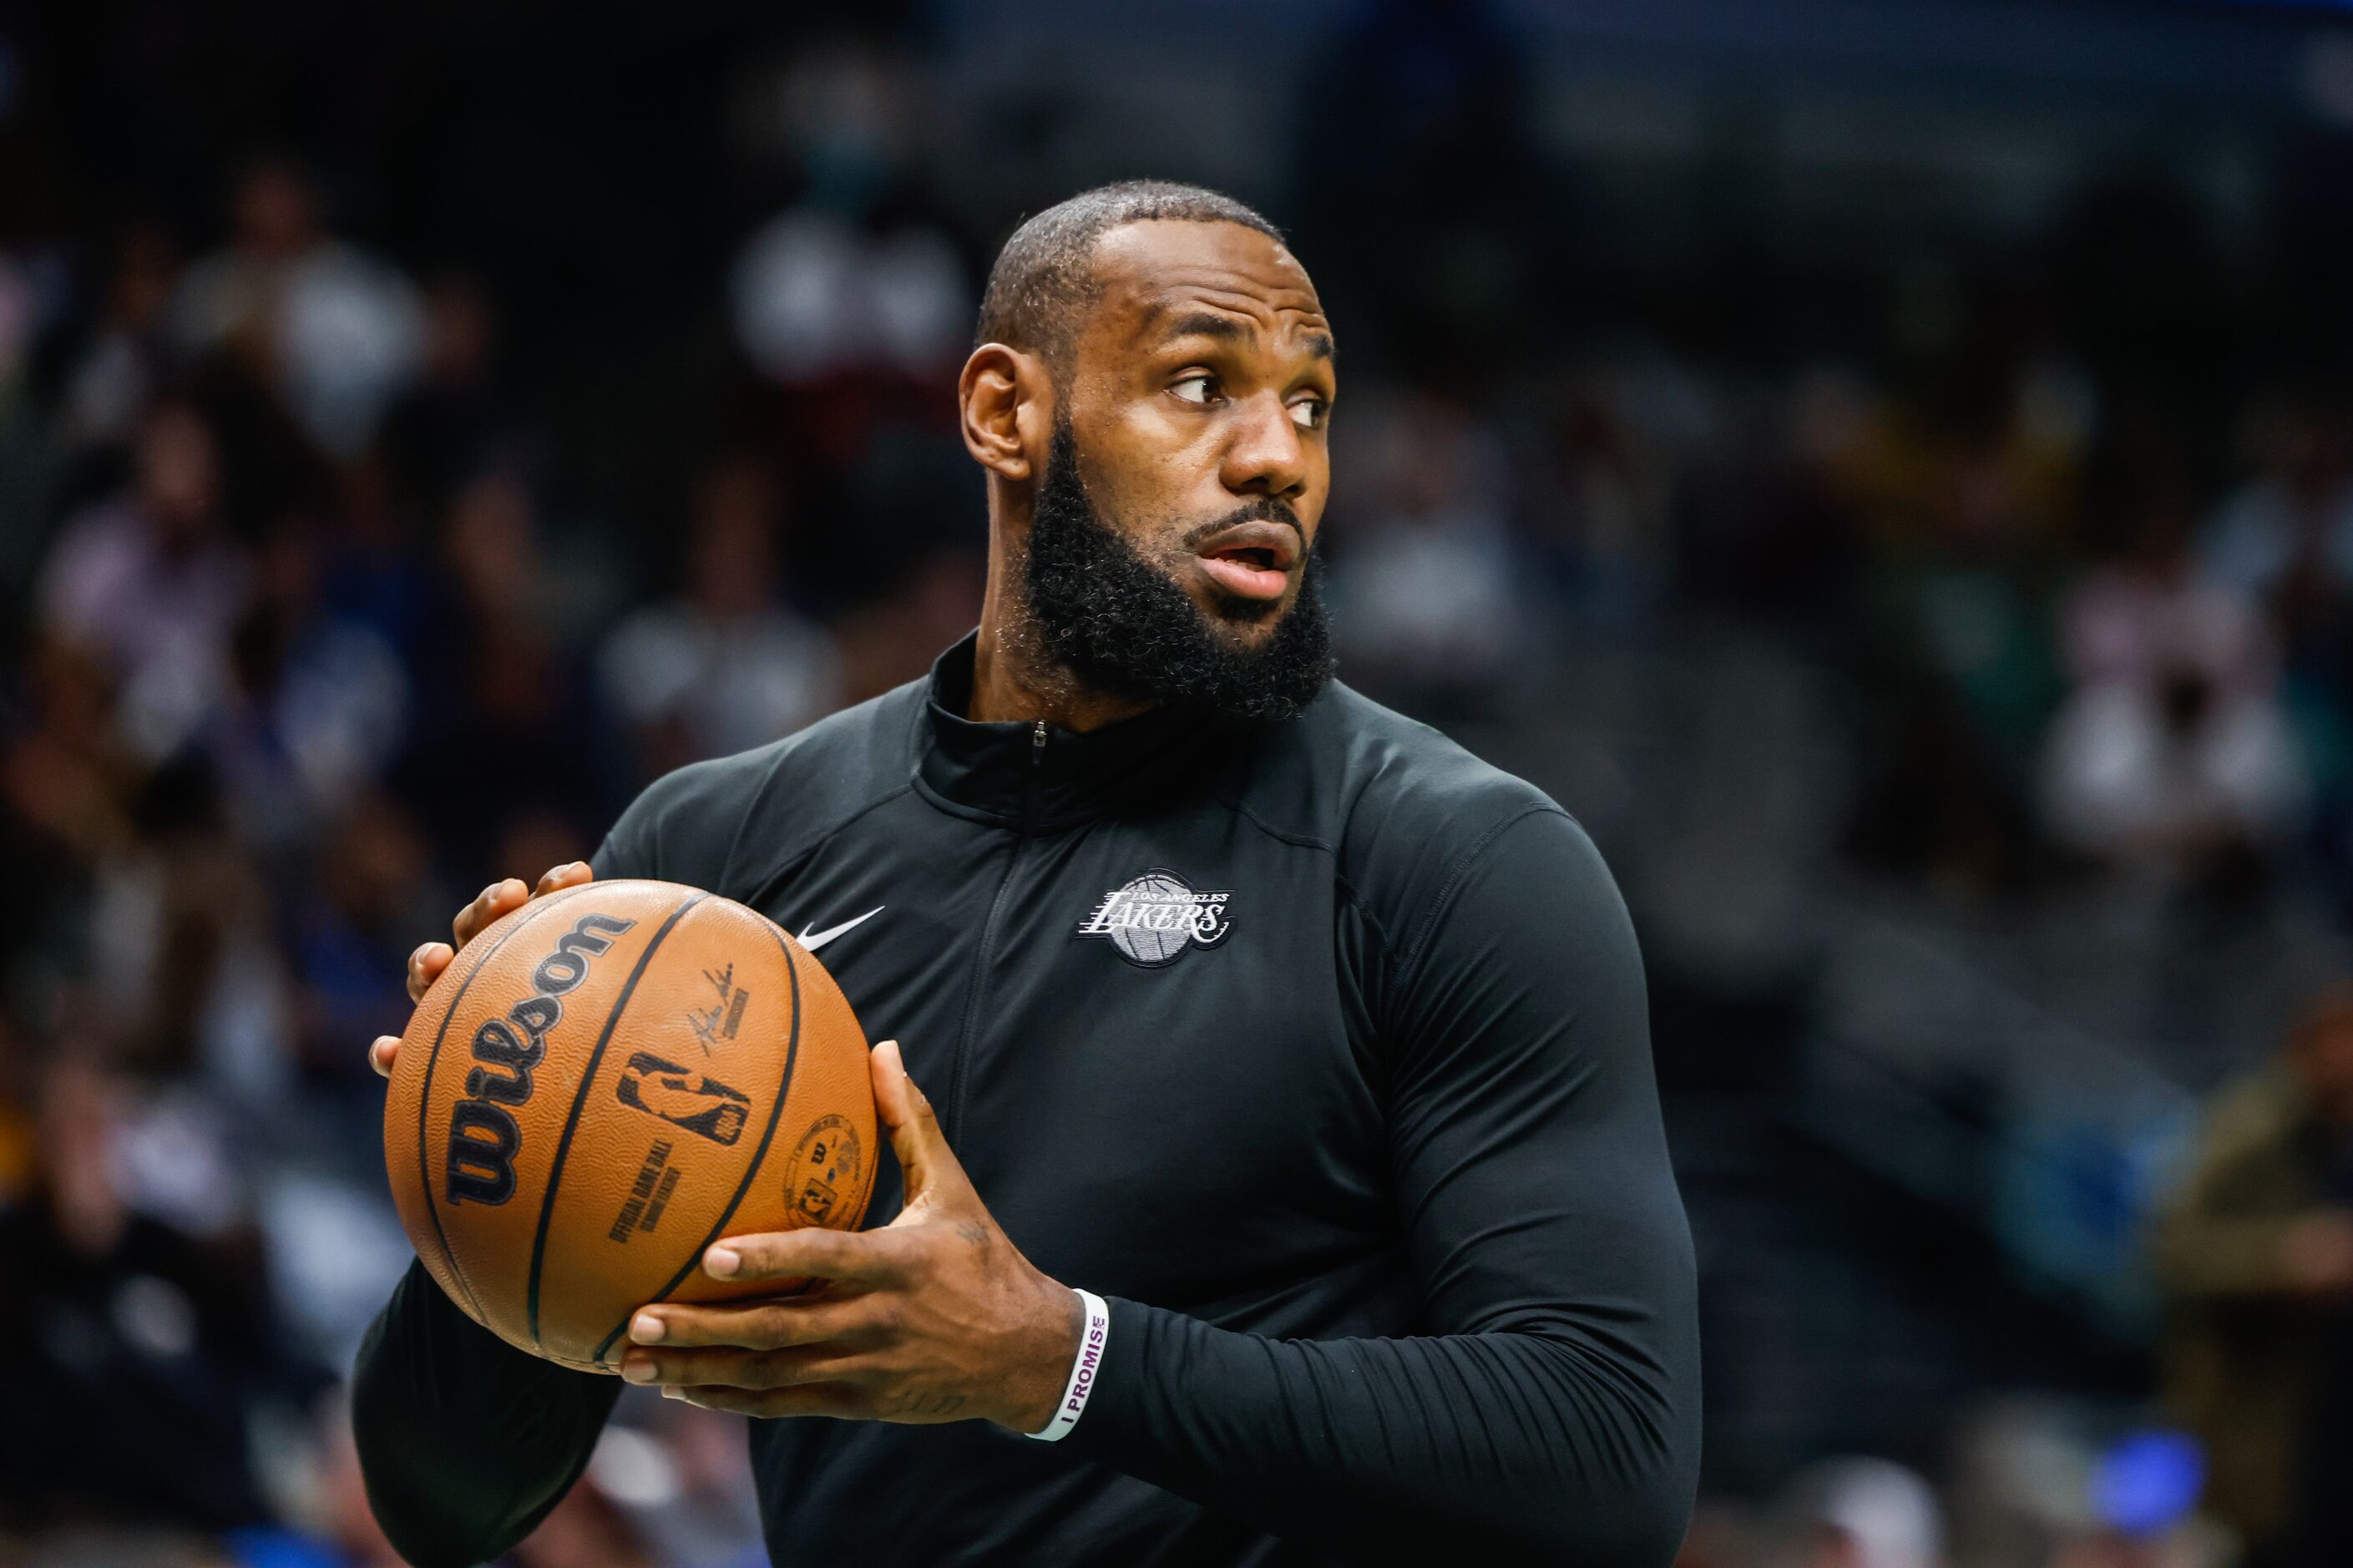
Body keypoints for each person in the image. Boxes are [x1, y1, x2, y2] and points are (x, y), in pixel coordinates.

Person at [352, 182, 1699, 1567]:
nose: (1275, 458)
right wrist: (494, 1141)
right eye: (1199, 384)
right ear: (1005, 413)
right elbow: (445, 1508)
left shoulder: (1451, 858)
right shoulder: (712, 864)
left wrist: (1055, 1360)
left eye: (1308, 405)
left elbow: (1605, 1453)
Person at [2153, 985, 2353, 1565]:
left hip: (2322, 1402)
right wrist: (2286, 1257)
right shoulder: (2249, 1127)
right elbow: (2172, 1249)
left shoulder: (2336, 1133)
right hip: (2250, 1411)